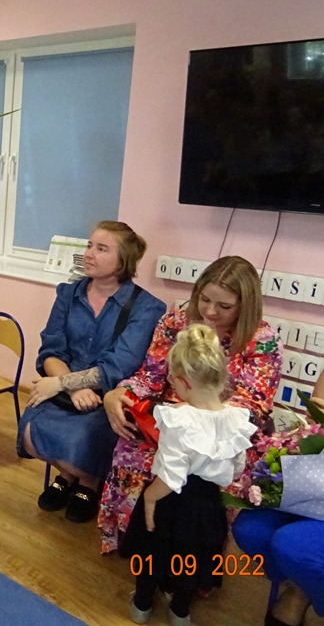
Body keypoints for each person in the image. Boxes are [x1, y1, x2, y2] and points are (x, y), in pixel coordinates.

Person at [99, 256, 282, 554]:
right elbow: (150, 377)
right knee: (129, 452)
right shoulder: (174, 323)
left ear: (245, 306)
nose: (210, 311)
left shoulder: (261, 340)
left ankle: (190, 554)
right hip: (168, 422)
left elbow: (252, 405)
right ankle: (139, 541)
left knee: (206, 474)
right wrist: (119, 393)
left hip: (223, 428)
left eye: (224, 306)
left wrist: (193, 420)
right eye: (204, 299)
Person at [18, 221, 166, 523]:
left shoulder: (146, 308)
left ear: (123, 261)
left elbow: (119, 366)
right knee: (30, 432)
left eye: (101, 249)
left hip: (109, 395)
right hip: (67, 387)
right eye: (89, 245)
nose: (89, 254)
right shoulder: (68, 294)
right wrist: (71, 387)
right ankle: (69, 476)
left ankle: (87, 483)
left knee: (82, 438)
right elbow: (51, 350)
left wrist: (59, 383)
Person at [122, 324, 256, 626]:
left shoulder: (179, 419)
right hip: (207, 505)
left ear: (183, 382)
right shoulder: (237, 419)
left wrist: (150, 499)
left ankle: (142, 604)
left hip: (170, 502)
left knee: (152, 554)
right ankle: (180, 611)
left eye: (172, 378)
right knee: (192, 560)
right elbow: (236, 468)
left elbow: (172, 475)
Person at [231, 373, 324, 626]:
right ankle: (302, 583)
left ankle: (304, 593)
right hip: (317, 483)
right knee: (250, 531)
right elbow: (316, 417)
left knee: (292, 545)